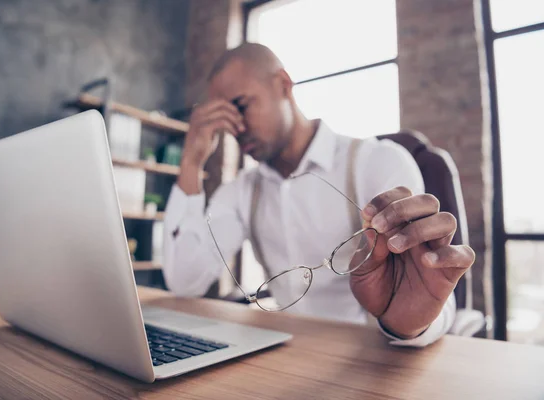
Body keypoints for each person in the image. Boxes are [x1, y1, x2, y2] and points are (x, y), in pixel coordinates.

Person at [163, 43, 475, 347]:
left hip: (375, 359)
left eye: (241, 106)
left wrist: (410, 325)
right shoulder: (242, 191)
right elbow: (184, 282)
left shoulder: (377, 162)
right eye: (224, 118)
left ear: (283, 85)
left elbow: (426, 295)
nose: (236, 127)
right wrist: (191, 162)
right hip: (284, 359)